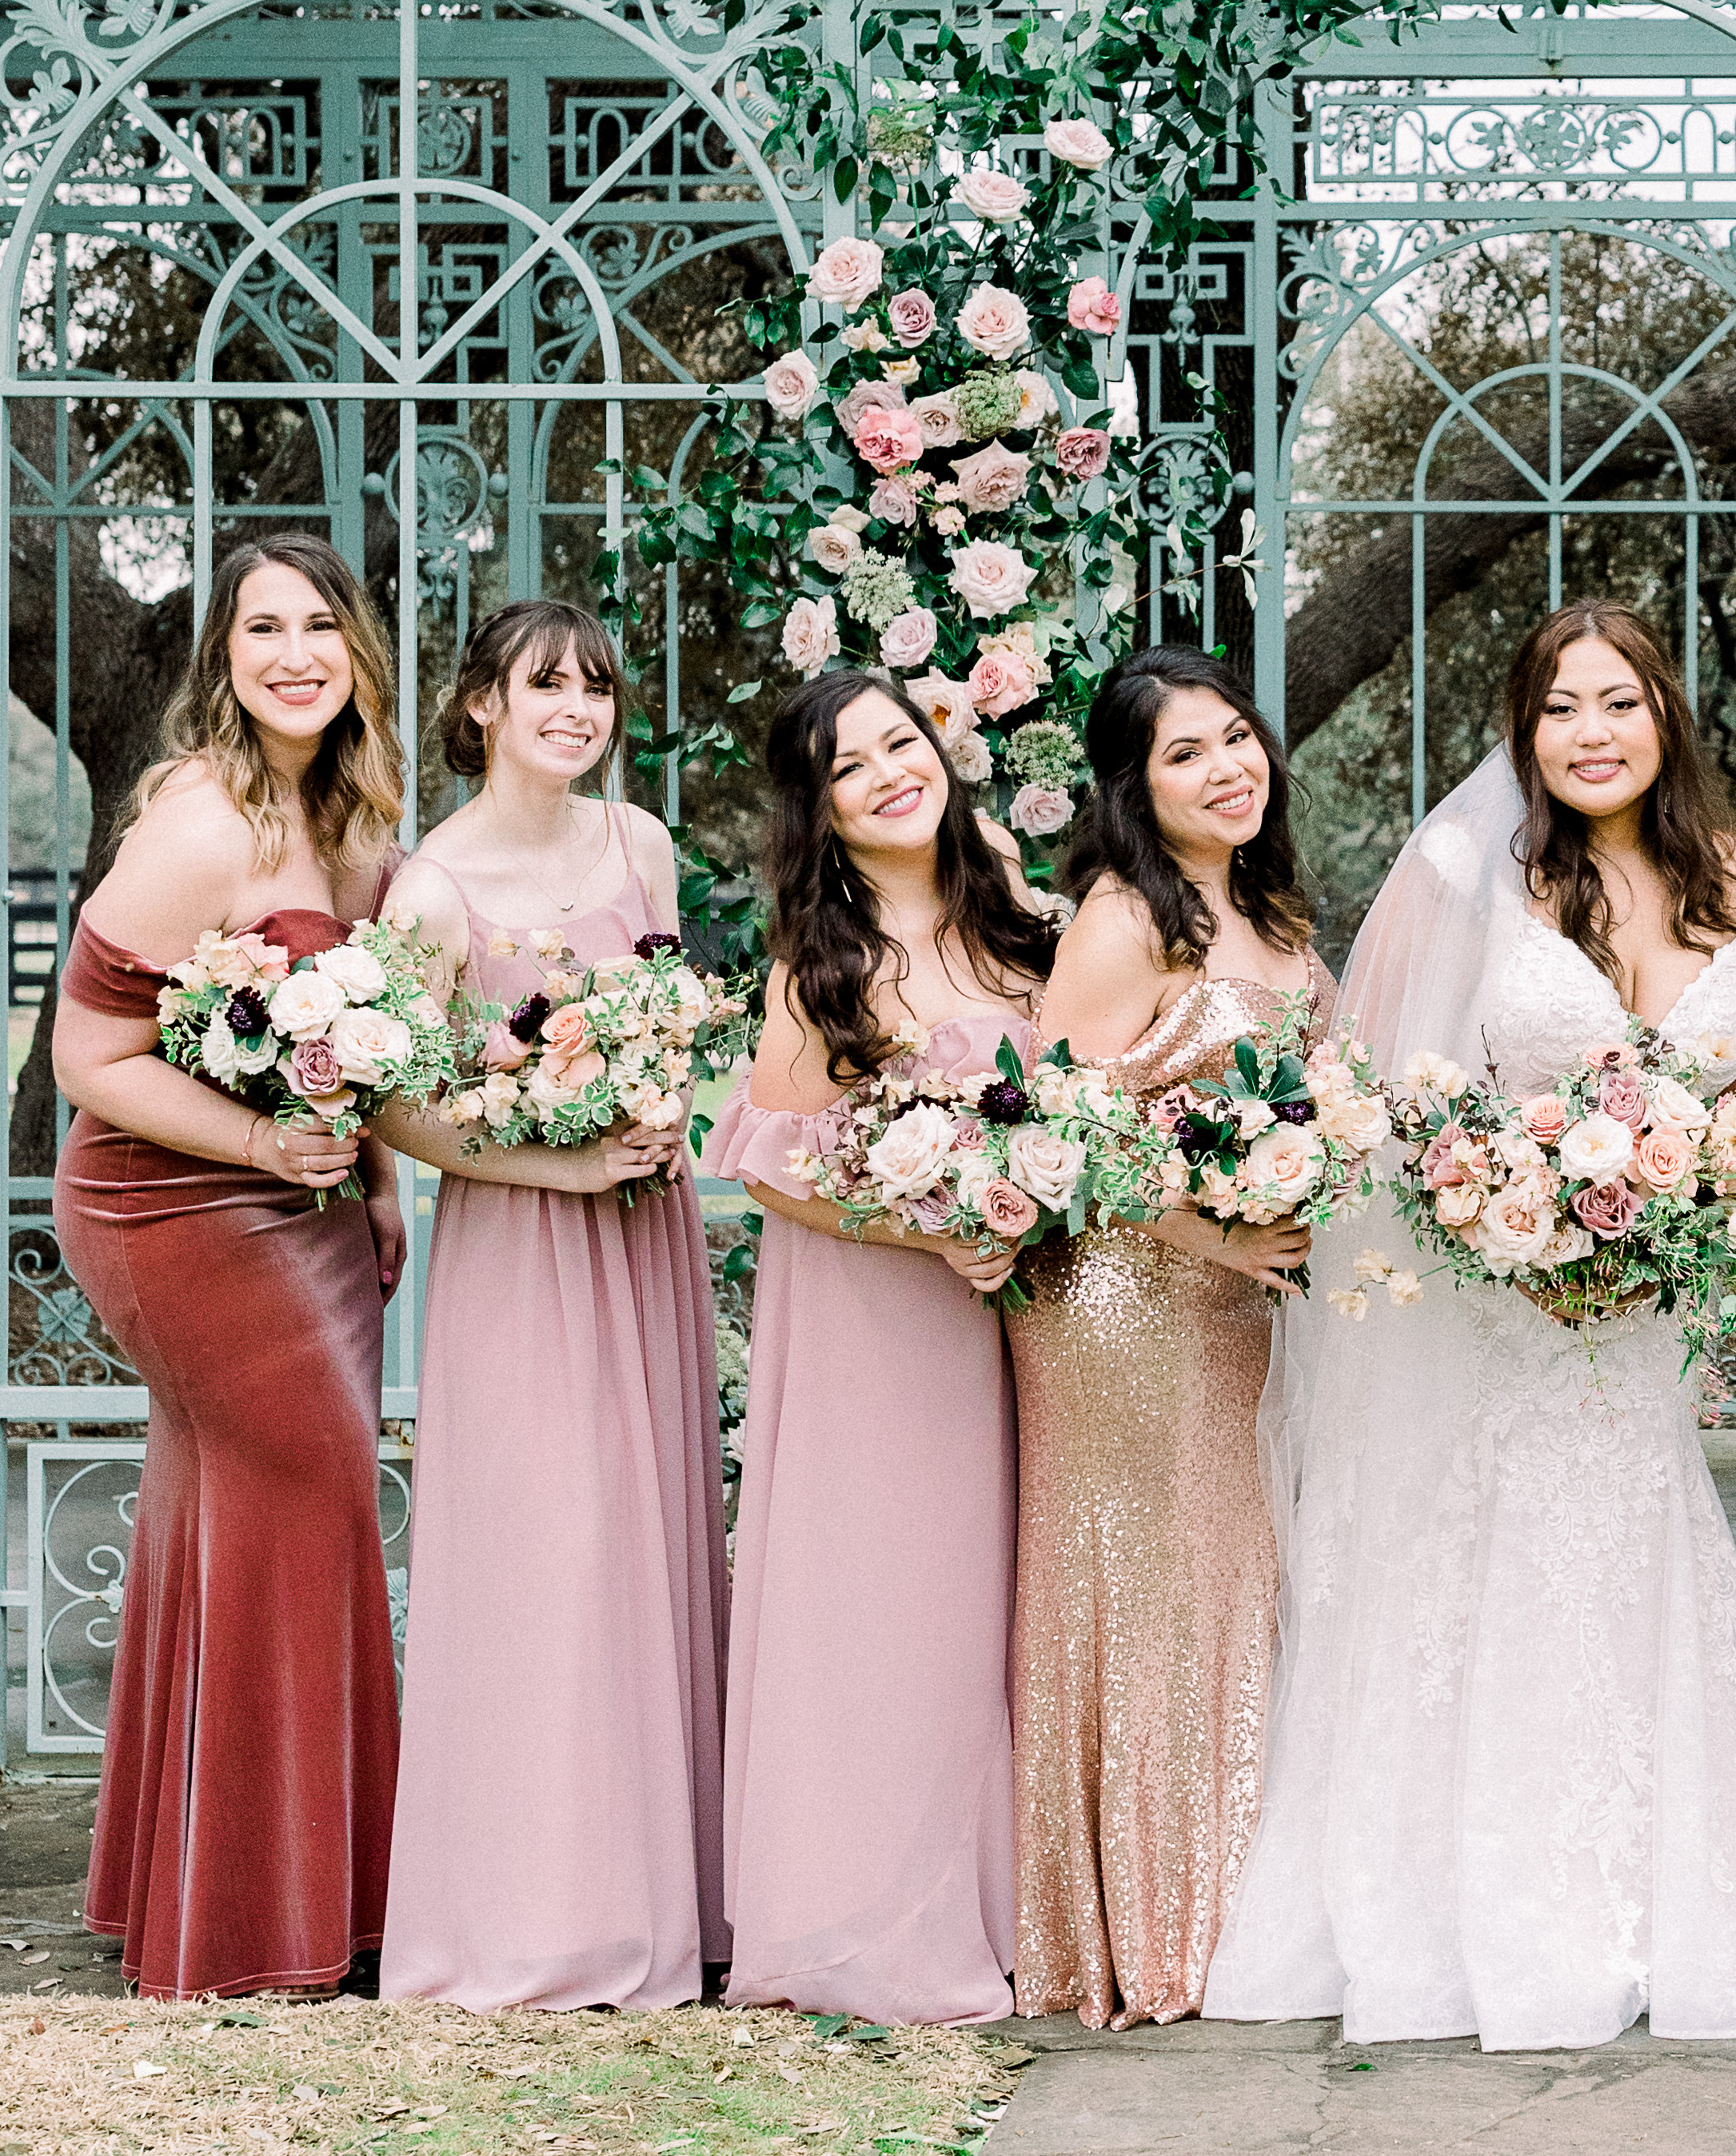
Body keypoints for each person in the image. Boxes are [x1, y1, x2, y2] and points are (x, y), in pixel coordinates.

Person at [1203, 599, 1736, 2051]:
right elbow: (1384, 1094)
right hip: (1496, 1303)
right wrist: (1495, 1216)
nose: (1592, 731)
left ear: (1666, 719)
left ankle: (1651, 1895)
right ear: (1525, 731)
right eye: (1562, 706)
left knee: (1633, 1564)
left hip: (1641, 1314)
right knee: (1490, 1572)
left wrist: (1674, 1226)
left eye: (1619, 701)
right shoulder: (1473, 872)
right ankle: (1482, 1905)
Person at [50, 533, 409, 1999]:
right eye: (262, 629)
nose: (293, 654)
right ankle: (271, 1921)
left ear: (360, 654)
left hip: (309, 1205)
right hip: (167, 1205)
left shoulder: (365, 819)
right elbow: (87, 1054)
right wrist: (268, 1158)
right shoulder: (203, 821)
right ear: (226, 659)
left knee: (238, 1512)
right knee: (313, 1491)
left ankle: (201, 1890)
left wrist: (373, 1176)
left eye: (320, 626)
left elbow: (360, 1038)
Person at [371, 602, 727, 2010]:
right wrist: (557, 1157)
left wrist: (651, 1110)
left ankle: (662, 1898)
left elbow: (673, 1015)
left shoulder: (640, 847)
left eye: (596, 686)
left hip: (642, 1233)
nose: (575, 708)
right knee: (546, 1559)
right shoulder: (428, 892)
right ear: (481, 707)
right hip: (522, 1241)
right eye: (544, 685)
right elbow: (396, 1102)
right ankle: (524, 1917)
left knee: (644, 1539)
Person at [712, 669, 1054, 2022]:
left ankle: (1002, 1899)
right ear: (822, 808)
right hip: (873, 1322)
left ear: (941, 752)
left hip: (1006, 1318)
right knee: (880, 1611)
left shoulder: (1022, 932)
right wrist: (930, 1226)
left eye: (901, 744)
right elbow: (770, 1165)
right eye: (850, 767)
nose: (888, 774)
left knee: (985, 1613)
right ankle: (857, 1914)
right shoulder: (824, 962)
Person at [1008, 649, 1328, 2029]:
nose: (1227, 767)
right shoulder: (1124, 917)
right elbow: (1056, 1122)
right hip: (1122, 1303)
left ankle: (1233, 1904)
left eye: (1238, 738)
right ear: (1135, 786)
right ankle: (1144, 1926)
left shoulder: (1272, 913)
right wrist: (1209, 1232)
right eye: (1187, 752)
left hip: (1237, 1298)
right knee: (1147, 1597)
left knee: (1230, 1589)